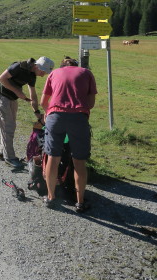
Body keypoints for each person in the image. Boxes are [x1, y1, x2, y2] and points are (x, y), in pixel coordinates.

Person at [40, 56, 97, 213]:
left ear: (62, 66)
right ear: (76, 65)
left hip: (55, 117)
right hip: (78, 118)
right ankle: (79, 202)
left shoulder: (54, 73)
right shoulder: (87, 73)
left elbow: (43, 102)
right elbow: (91, 104)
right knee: (79, 161)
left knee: (53, 157)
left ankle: (50, 197)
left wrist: (47, 113)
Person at [0, 56, 54, 169]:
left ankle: (3, 152)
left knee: (10, 126)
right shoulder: (18, 66)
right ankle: (10, 158)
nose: (43, 75)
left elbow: (33, 95)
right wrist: (18, 92)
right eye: (44, 72)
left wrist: (36, 111)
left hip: (12, 98)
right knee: (8, 127)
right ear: (37, 66)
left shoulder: (32, 75)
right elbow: (1, 79)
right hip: (1, 96)